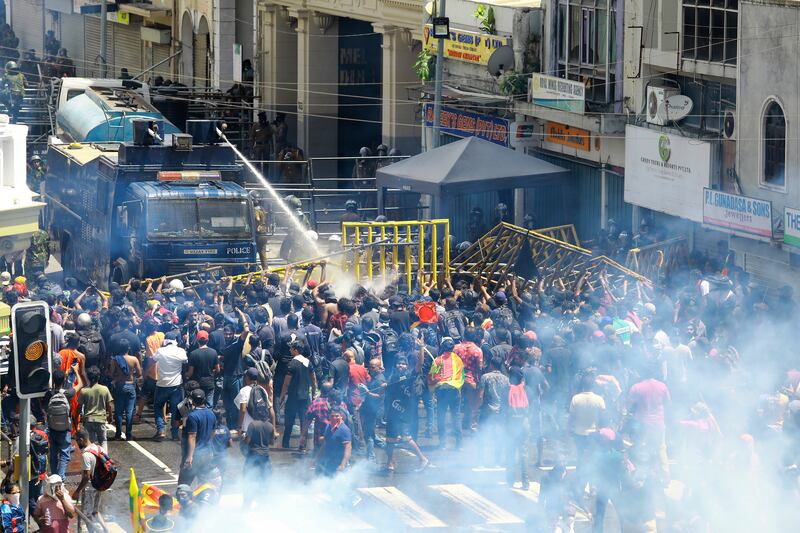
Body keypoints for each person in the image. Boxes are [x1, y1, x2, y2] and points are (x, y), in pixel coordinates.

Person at [279, 340, 316, 449]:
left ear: (295, 350)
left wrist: (281, 396)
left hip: (293, 398)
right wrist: (313, 394)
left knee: (289, 421)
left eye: (291, 348)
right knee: (304, 421)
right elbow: (313, 380)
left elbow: (286, 383)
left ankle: (285, 443)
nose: (290, 350)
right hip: (305, 398)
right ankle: (302, 445)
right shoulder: (308, 362)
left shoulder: (292, 364)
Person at [429, 337, 464, 449]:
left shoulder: (438, 360)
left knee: (441, 416)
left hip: (442, 390)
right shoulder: (458, 360)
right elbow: (461, 376)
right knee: (456, 416)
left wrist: (434, 386)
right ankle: (459, 445)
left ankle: (442, 444)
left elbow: (431, 378)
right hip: (455, 390)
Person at [153, 330, 188, 441]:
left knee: (158, 407)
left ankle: (161, 430)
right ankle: (174, 434)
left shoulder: (160, 351)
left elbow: (154, 359)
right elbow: (185, 361)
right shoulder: (181, 351)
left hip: (162, 384)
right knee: (176, 410)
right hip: (176, 385)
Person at [71, 429, 108, 530]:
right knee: (95, 511)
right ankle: (106, 530)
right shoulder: (99, 448)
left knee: (87, 515)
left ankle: (92, 531)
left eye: (77, 441)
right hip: (99, 484)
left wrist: (77, 491)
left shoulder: (86, 455)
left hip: (90, 488)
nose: (77, 444)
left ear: (82, 440)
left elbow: (86, 476)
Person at [179, 389, 216, 486]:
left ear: (192, 401)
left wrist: (189, 457)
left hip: (196, 455)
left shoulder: (192, 416)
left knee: (183, 486)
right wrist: (211, 450)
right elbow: (213, 434)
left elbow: (192, 436)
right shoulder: (211, 414)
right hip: (207, 454)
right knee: (204, 485)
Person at [110, 338, 142, 440]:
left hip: (119, 386)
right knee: (129, 412)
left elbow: (111, 374)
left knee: (118, 412)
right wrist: (132, 374)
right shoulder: (134, 359)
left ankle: (118, 434)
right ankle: (128, 434)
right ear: (128, 348)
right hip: (130, 385)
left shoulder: (115, 359)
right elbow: (139, 373)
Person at [77, 366, 114, 452]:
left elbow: (79, 406)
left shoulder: (84, 391)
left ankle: (93, 460)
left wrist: (77, 418)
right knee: (103, 441)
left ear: (88, 377)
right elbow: (109, 405)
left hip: (88, 420)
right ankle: (105, 460)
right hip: (101, 419)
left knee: (91, 442)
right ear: (99, 376)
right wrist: (110, 416)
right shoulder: (104, 389)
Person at [46, 370, 74, 479]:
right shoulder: (67, 393)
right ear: (64, 380)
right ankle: (61, 477)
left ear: (53, 380)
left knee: (53, 454)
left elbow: (44, 409)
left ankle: (54, 476)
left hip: (52, 428)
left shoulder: (49, 394)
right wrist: (77, 370)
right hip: (64, 428)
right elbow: (82, 384)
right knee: (64, 454)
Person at [315, 406, 352, 476]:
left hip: (340, 466)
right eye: (332, 416)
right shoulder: (328, 427)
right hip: (330, 464)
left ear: (341, 416)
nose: (334, 418)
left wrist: (343, 465)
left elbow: (348, 449)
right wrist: (317, 458)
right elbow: (325, 444)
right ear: (329, 417)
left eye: (337, 416)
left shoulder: (344, 430)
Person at [188, 330, 219, 408]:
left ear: (197, 340)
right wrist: (212, 373)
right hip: (209, 383)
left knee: (197, 404)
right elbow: (217, 369)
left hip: (197, 383)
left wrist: (186, 375)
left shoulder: (193, 354)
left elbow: (190, 372)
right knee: (209, 405)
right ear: (207, 340)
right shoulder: (214, 352)